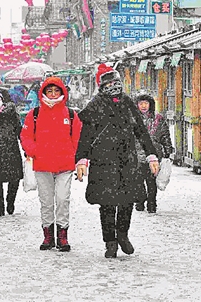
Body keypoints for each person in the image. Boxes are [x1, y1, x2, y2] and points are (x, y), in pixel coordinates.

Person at [75, 64, 159, 259]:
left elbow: (141, 131)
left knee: (127, 202)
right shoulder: (95, 106)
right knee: (107, 204)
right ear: (102, 87)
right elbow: (86, 136)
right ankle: (110, 242)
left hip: (127, 160)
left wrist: (151, 155)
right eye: (109, 84)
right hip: (103, 161)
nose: (113, 87)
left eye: (116, 83)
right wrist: (81, 159)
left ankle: (122, 235)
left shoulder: (128, 103)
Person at [20, 77, 82, 252]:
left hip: (65, 165)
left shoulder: (71, 114)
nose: (53, 94)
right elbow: (25, 136)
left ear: (62, 92)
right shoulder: (34, 114)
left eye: (56, 91)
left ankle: (63, 234)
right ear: (43, 93)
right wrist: (35, 151)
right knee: (46, 202)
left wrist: (75, 157)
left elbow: (78, 138)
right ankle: (48, 234)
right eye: (49, 91)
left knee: (62, 199)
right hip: (42, 165)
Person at [134, 93, 174, 213]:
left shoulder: (158, 119)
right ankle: (140, 200)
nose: (143, 106)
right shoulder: (132, 119)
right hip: (136, 155)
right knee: (138, 181)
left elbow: (165, 135)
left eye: (146, 103)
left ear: (150, 104)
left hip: (154, 155)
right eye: (141, 103)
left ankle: (152, 203)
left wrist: (167, 150)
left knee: (151, 181)